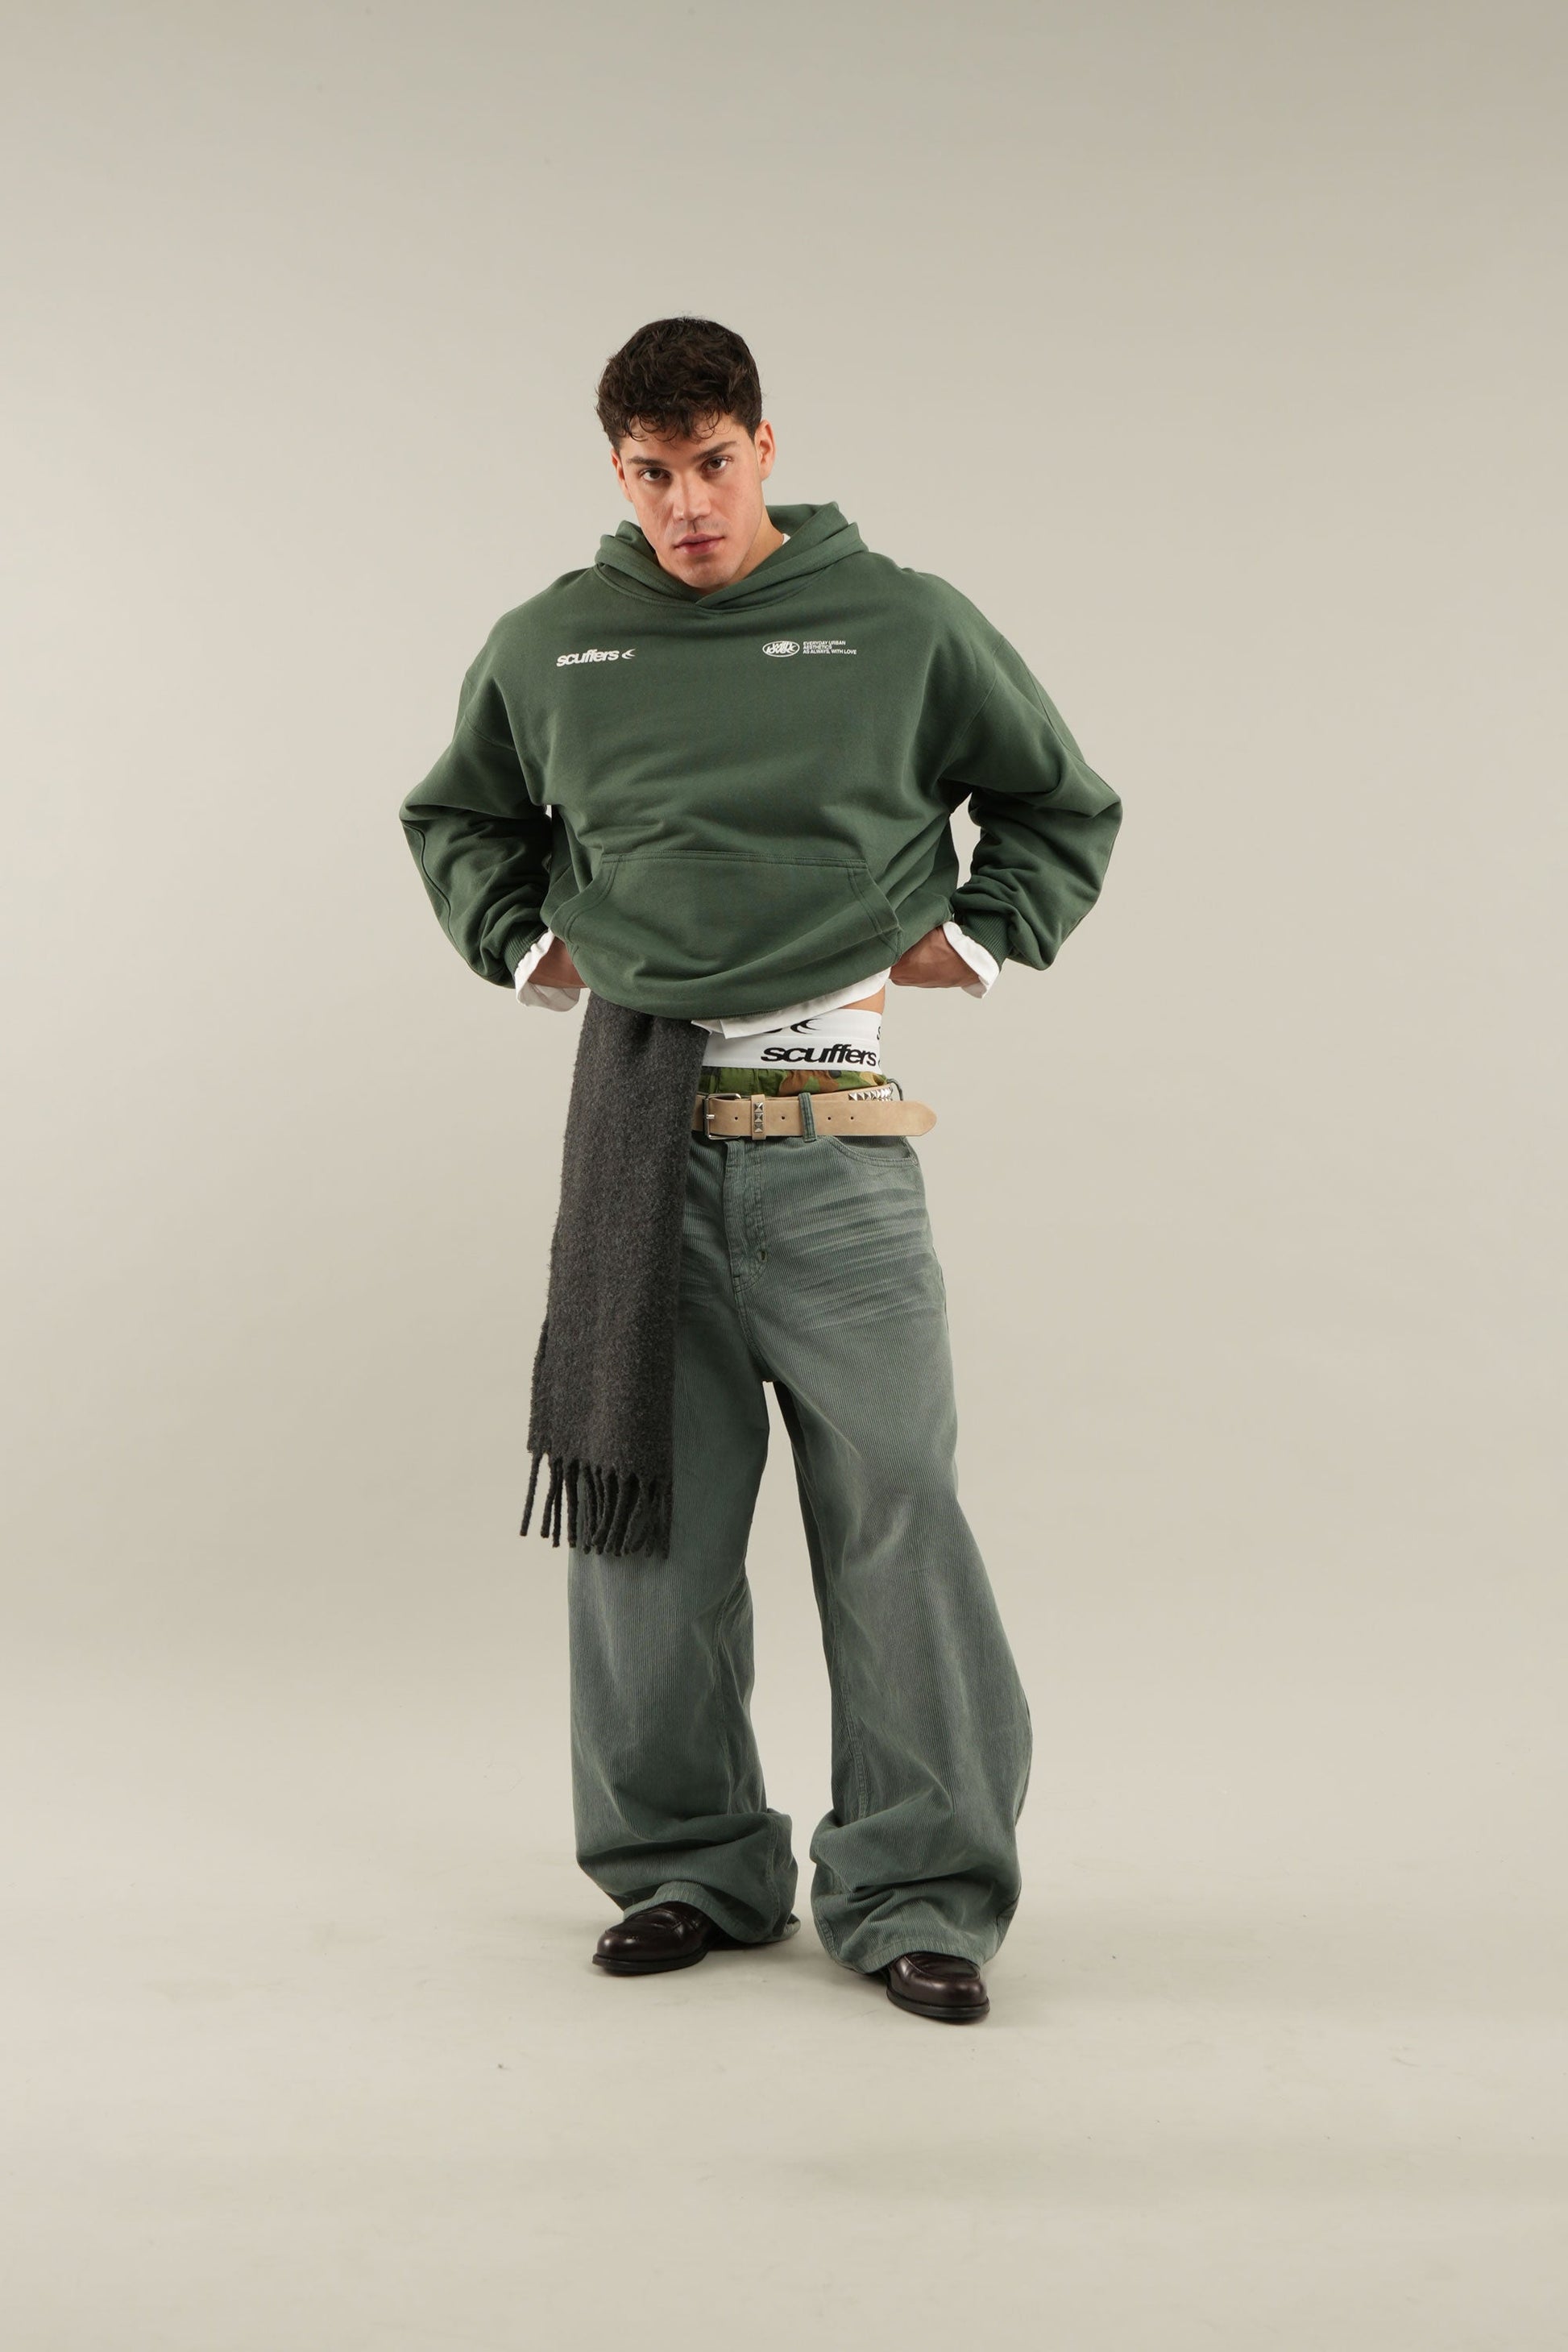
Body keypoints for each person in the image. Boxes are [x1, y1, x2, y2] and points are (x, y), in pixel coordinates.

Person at [399, 316, 1122, 2023]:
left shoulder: (903, 622)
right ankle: (684, 1867)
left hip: (834, 1151)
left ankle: (918, 1887)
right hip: (642, 1148)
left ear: (765, 447)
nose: (685, 505)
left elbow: (1059, 803)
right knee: (643, 1525)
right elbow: (459, 817)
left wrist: (978, 938)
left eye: (711, 463)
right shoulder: (552, 642)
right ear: (615, 468)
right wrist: (526, 946)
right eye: (649, 472)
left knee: (898, 1514)